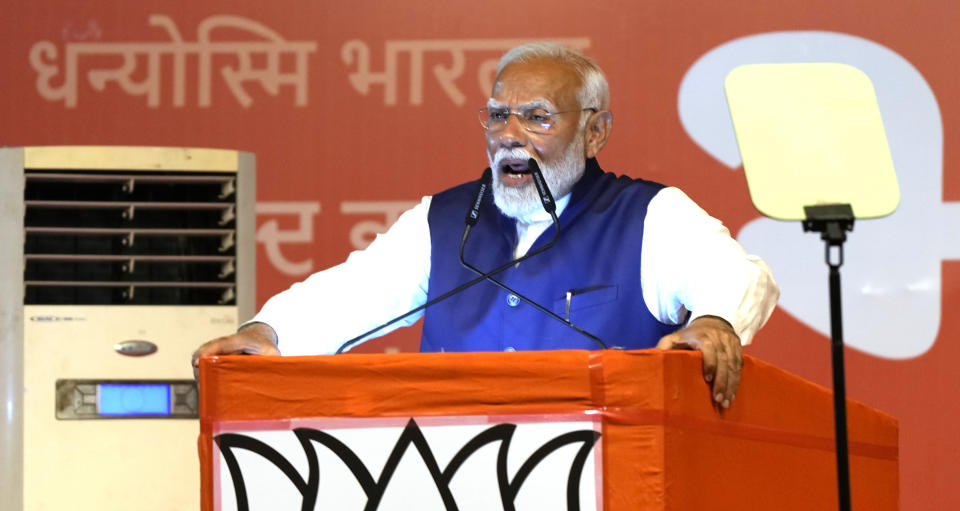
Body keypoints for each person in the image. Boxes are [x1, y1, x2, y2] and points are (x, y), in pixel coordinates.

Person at [193, 43, 778, 408]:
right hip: (459, 499)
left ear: (594, 132)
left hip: (610, 501)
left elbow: (739, 275)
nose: (509, 135)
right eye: (499, 115)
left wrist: (713, 322)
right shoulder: (445, 219)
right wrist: (270, 334)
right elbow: (353, 293)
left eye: (537, 118)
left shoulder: (649, 215)